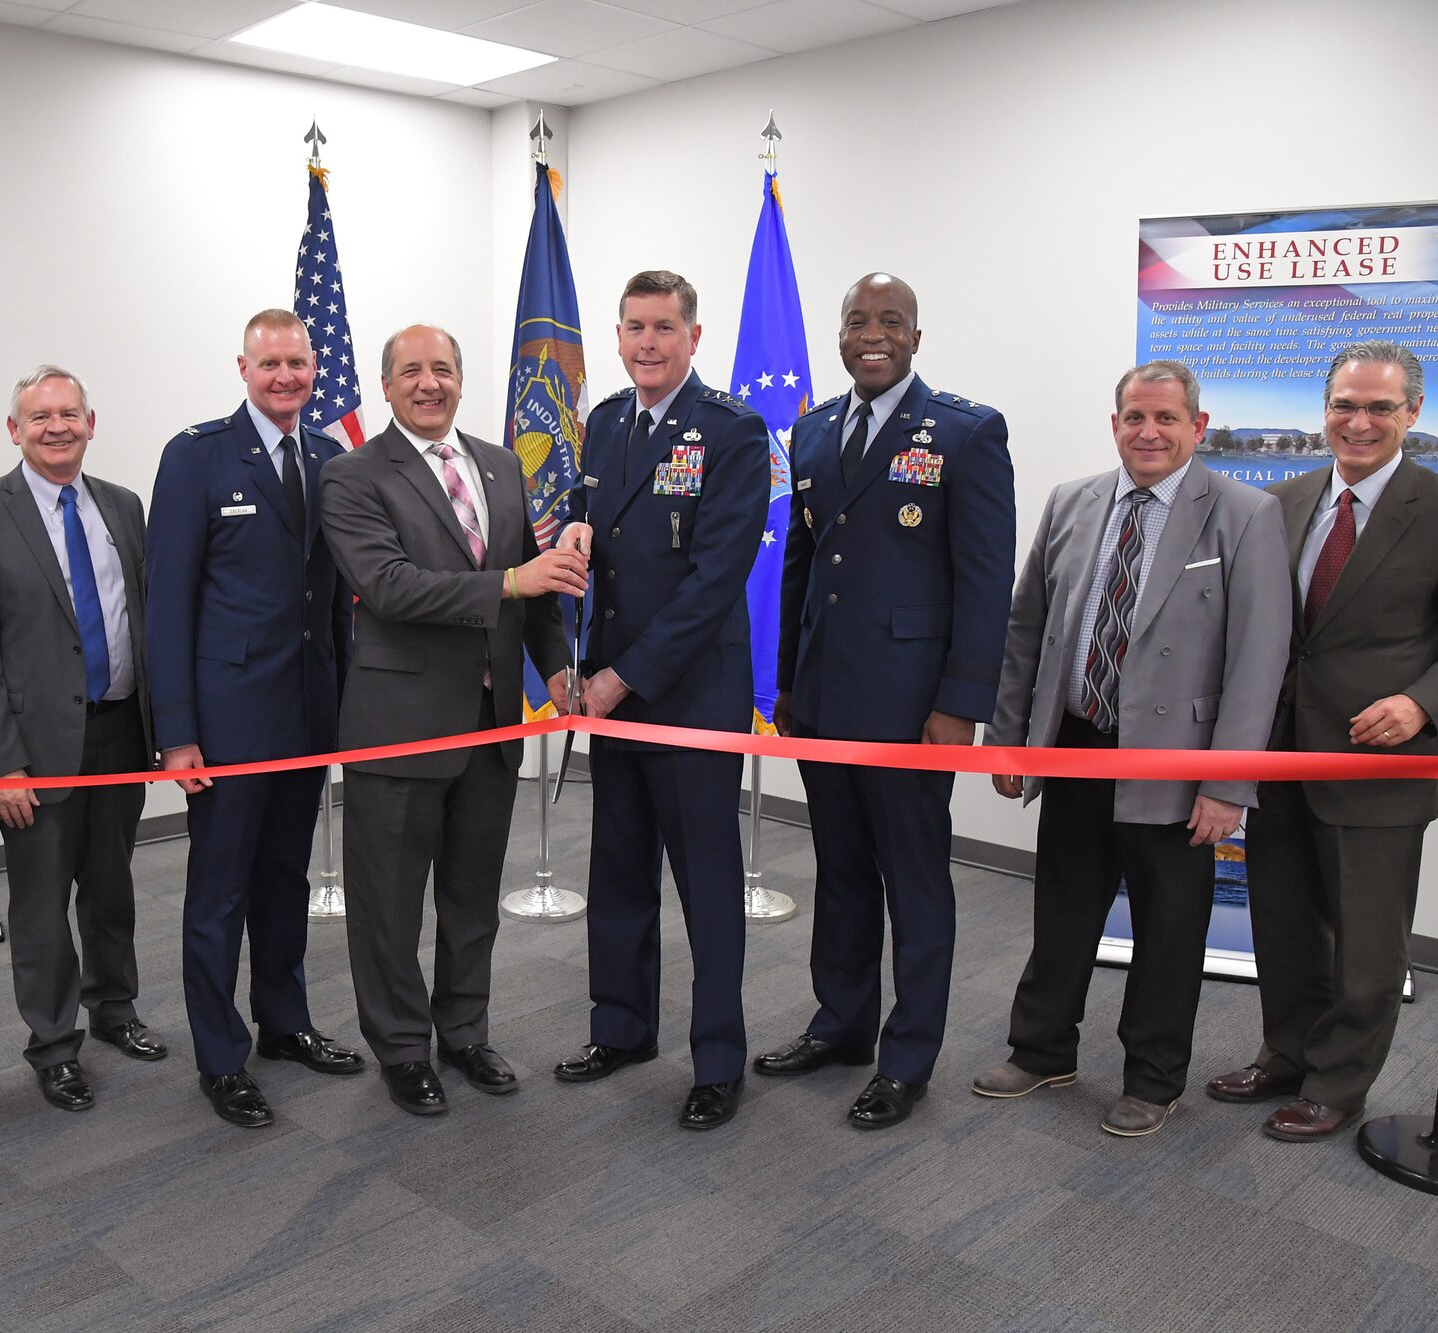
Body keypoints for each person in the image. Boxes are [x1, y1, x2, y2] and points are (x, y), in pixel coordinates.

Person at [1206, 341, 1438, 1141]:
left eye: (1380, 406)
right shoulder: (1279, 500)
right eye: (1345, 403)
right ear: (1325, 410)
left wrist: (1420, 702)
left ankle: (1338, 1083)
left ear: (1413, 413)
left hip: (1377, 767)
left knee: (1364, 942)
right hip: (1280, 758)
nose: (1360, 421)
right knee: (1282, 923)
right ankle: (1286, 1052)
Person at [976, 360, 1290, 1136]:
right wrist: (1010, 739)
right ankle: (1042, 1047)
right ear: (1115, 422)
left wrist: (1229, 784)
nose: (1149, 432)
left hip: (1179, 764)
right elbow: (1027, 628)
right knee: (1063, 912)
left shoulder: (1245, 514)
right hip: (1077, 746)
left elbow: (1260, 658)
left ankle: (1153, 1076)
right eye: (1134, 418)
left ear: (1198, 426)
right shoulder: (1071, 502)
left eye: (1167, 419)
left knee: (1170, 926)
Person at [756, 272, 1016, 1130]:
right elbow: (803, 562)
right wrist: (790, 677)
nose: (873, 334)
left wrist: (960, 704)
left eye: (890, 321)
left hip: (912, 709)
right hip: (826, 696)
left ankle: (908, 1057)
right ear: (839, 334)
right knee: (839, 872)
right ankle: (842, 1024)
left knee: (915, 883)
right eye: (858, 321)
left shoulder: (966, 432)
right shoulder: (815, 426)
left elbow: (984, 583)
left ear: (915, 334)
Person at [318, 323, 581, 1117]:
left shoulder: (501, 464)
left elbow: (531, 591)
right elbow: (390, 586)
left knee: (471, 899)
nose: (428, 383)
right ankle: (402, 1048)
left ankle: (465, 1031)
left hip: (492, 724)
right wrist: (513, 582)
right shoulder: (352, 474)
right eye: (411, 372)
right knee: (389, 905)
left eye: (441, 370)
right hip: (399, 726)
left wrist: (558, 663)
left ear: (460, 380)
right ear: (387, 385)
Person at [552, 271, 768, 1131]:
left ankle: (718, 1060)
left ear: (693, 336)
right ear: (617, 336)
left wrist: (621, 675)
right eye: (635, 327)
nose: (648, 342)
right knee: (619, 871)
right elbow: (592, 541)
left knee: (707, 889)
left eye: (664, 328)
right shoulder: (603, 423)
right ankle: (622, 1027)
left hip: (690, 699)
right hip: (614, 696)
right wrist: (578, 656)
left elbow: (715, 580)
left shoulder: (733, 430)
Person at [146, 309, 362, 1129]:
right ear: (243, 366)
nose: (286, 377)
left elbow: (332, 602)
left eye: (297, 364)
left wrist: (340, 707)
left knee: (286, 880)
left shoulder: (329, 456)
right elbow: (167, 602)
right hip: (227, 722)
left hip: (305, 713)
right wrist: (176, 731)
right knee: (219, 892)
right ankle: (220, 1055)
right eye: (270, 364)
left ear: (314, 369)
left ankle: (285, 1022)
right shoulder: (197, 455)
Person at [0, 364, 164, 1115]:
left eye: (70, 413)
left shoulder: (124, 507)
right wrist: (0, 763)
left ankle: (115, 1009)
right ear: (14, 430)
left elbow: (143, 619)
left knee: (111, 889)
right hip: (33, 751)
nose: (57, 426)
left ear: (91, 423)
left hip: (119, 733)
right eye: (40, 416)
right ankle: (53, 1044)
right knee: (40, 906)